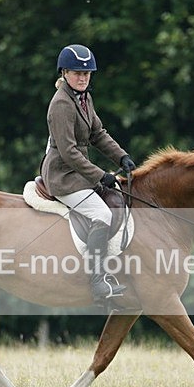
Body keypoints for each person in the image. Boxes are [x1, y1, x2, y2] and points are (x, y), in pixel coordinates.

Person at [40, 44, 136, 303]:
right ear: (64, 73)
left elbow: (98, 134)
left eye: (87, 74)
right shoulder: (61, 104)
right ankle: (97, 282)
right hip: (62, 176)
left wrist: (122, 156)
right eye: (76, 73)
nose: (83, 78)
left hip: (78, 172)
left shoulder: (84, 98)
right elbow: (69, 152)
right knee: (101, 214)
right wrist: (99, 175)